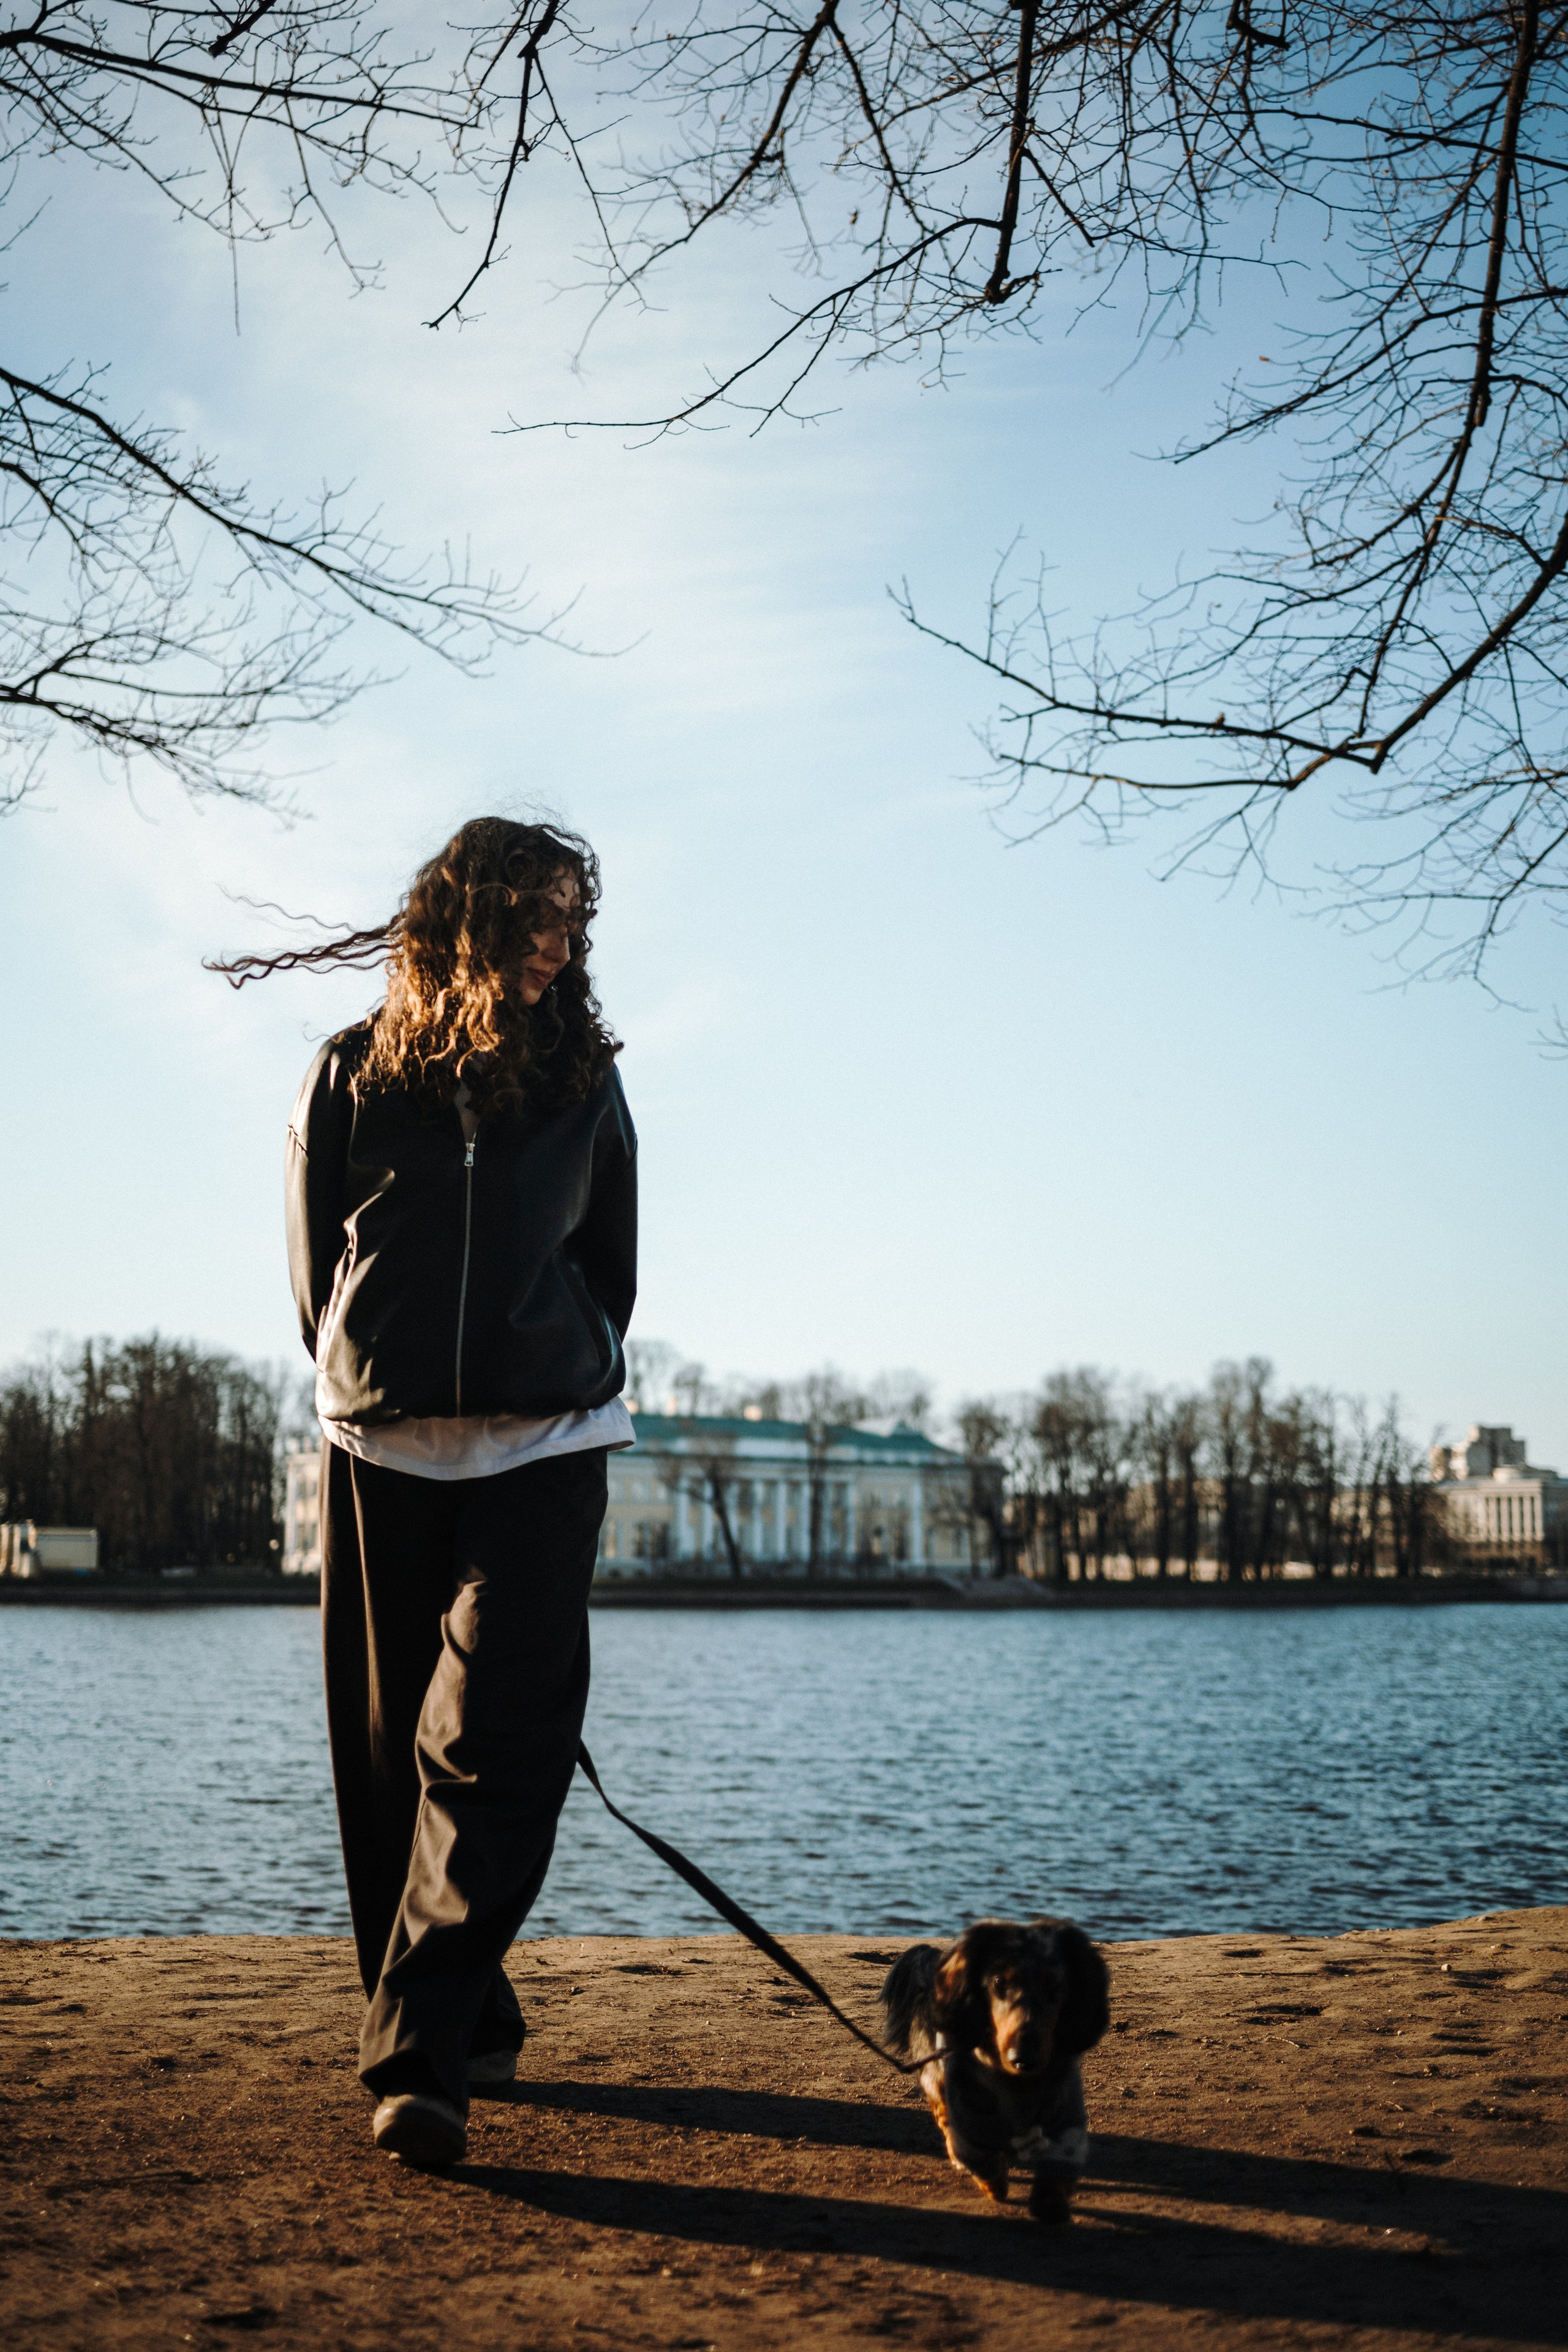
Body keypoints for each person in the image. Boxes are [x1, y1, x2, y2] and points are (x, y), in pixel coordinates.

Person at [216, 816, 636, 2168]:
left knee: (495, 1743)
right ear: (465, 918)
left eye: (572, 922)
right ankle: (471, 2011)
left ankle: (416, 2058)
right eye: (535, 918)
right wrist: (369, 1370)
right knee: (388, 1755)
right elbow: (309, 1274)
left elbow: (611, 1262)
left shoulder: (585, 1080)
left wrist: (549, 1365)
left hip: (544, 1446)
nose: (557, 946)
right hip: (380, 1448)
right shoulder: (347, 1072)